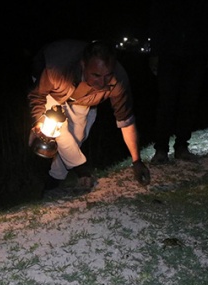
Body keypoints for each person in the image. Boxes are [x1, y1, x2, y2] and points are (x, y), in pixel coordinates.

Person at [27, 39, 150, 191]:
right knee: (59, 129)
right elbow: (37, 96)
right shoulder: (56, 69)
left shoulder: (118, 80)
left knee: (78, 136)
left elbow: (126, 122)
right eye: (96, 75)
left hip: (84, 96)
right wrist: (38, 121)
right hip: (51, 89)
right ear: (83, 65)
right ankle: (81, 172)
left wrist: (137, 161)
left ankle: (53, 180)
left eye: (107, 75)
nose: (102, 82)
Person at [148, 0, 208, 163]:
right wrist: (155, 53)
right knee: (166, 102)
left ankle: (182, 146)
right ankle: (161, 149)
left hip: (197, 54)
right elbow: (156, 20)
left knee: (189, 102)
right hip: (168, 54)